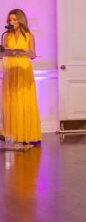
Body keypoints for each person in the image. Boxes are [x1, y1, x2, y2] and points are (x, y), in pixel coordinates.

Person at [1, 9, 41, 144]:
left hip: (24, 70)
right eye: (10, 20)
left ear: (21, 20)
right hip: (11, 70)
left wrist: (30, 54)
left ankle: (27, 135)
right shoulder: (6, 36)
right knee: (12, 101)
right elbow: (4, 54)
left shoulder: (29, 36)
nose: (12, 22)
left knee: (25, 101)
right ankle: (11, 134)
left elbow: (33, 54)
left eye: (14, 19)